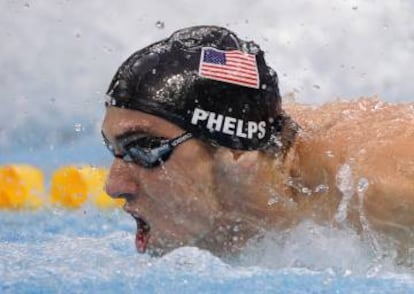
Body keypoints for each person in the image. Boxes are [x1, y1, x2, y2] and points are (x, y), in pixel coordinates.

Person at [101, 25, 414, 262]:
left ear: (235, 149)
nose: (114, 186)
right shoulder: (232, 190)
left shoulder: (380, 192)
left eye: (145, 149)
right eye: (113, 149)